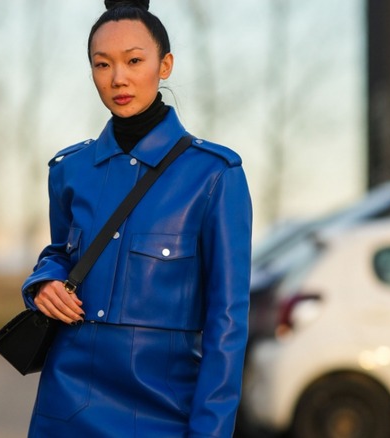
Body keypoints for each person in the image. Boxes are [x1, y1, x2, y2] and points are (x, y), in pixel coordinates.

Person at [20, 1, 253, 436]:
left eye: (133, 61)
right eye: (102, 64)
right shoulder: (69, 170)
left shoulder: (215, 175)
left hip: (165, 409)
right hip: (67, 402)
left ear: (164, 65)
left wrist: (211, 431)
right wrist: (43, 282)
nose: (118, 78)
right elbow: (61, 253)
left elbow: (228, 324)